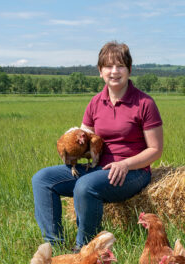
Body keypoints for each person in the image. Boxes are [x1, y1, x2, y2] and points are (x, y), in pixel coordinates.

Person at [32, 41, 163, 250]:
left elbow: (155, 149)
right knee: (42, 179)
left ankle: (85, 250)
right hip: (95, 167)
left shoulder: (144, 103)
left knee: (85, 186)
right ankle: (53, 247)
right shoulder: (95, 102)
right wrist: (72, 141)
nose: (114, 71)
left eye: (120, 66)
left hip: (132, 171)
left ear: (129, 70)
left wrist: (126, 165)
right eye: (108, 66)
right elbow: (86, 138)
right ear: (100, 71)